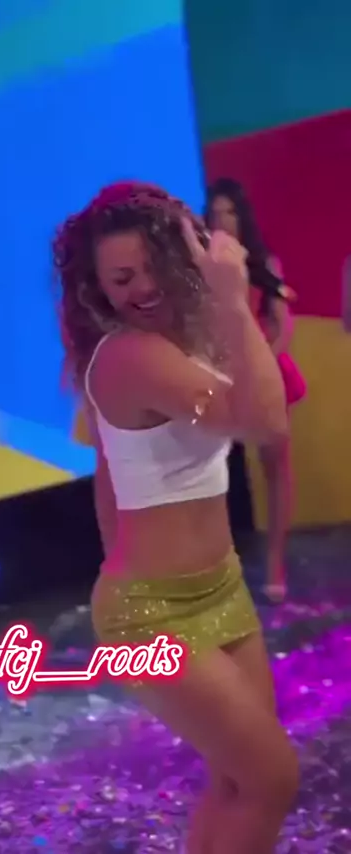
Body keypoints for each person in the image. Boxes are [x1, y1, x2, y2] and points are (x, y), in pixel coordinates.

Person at [53, 181, 298, 854]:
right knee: (271, 779)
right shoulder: (130, 354)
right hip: (154, 613)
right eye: (120, 279)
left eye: (150, 267)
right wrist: (233, 301)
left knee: (237, 784)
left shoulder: (190, 338)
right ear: (97, 289)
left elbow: (110, 483)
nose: (141, 288)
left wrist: (227, 311)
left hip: (220, 588)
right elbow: (265, 422)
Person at [206, 178, 306, 602]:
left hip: (264, 370)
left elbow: (284, 325)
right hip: (218, 377)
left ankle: (276, 565)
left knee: (275, 466)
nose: (222, 221)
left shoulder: (264, 265)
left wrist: (260, 366)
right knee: (210, 476)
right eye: (215, 213)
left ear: (241, 216)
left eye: (229, 212)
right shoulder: (201, 265)